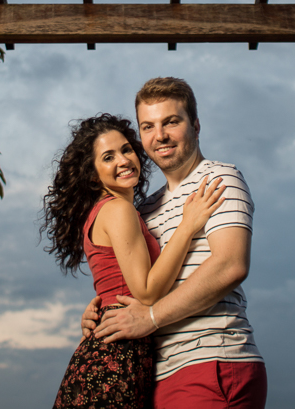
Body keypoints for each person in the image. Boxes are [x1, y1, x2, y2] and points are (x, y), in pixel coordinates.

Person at [86, 77, 268, 408]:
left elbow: (230, 265)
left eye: (171, 122)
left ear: (195, 125)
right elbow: (140, 285)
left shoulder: (219, 178)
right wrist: (101, 308)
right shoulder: (144, 210)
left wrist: (151, 318)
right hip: (156, 373)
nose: (161, 136)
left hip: (212, 360)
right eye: (149, 126)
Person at [41, 113, 226, 409]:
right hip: (116, 358)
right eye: (108, 157)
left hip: (112, 353)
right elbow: (147, 291)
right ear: (92, 173)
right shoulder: (117, 210)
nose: (123, 160)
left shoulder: (106, 211)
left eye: (126, 150)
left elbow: (115, 279)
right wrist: (188, 225)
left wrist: (100, 304)